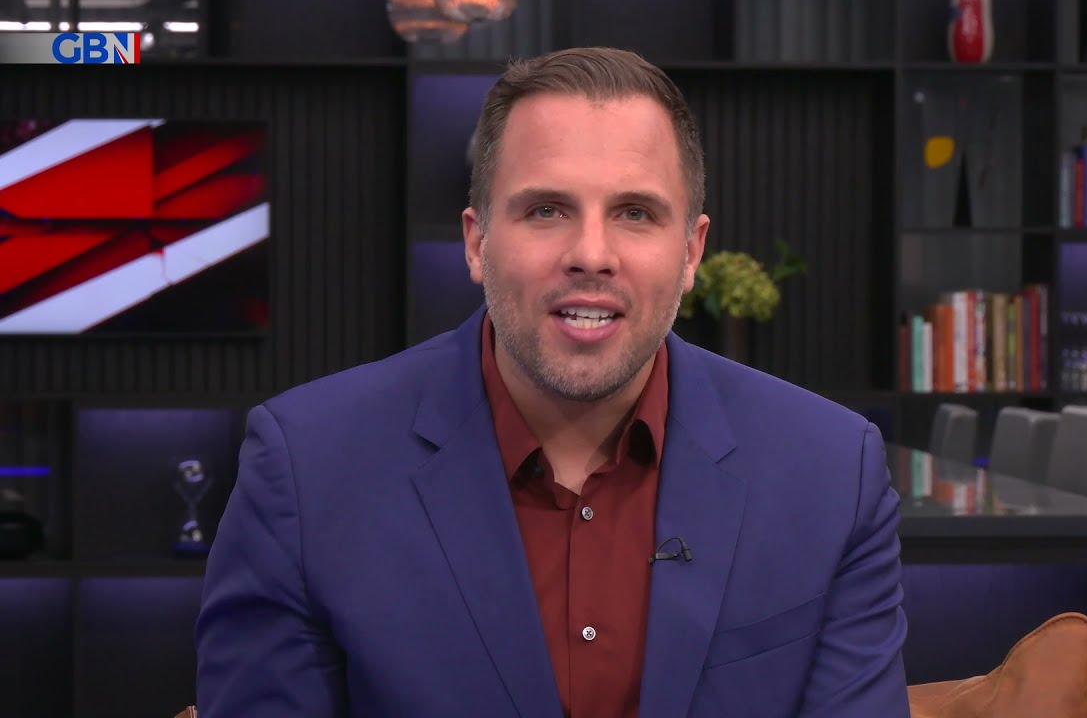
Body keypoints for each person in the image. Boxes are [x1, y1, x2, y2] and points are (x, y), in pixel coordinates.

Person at [194, 46, 909, 717]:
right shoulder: (306, 468)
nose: (591, 254)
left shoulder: (831, 471)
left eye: (635, 213)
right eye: (546, 210)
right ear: (477, 242)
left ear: (691, 252)